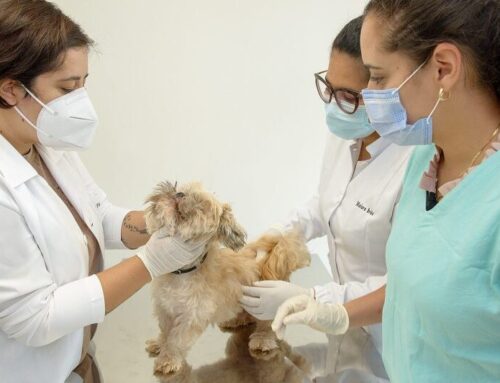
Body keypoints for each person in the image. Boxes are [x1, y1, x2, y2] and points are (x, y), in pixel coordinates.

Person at [273, 1, 500, 382]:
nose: (370, 96)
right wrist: (340, 312)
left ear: (443, 68)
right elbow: (417, 279)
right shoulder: (426, 159)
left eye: (377, 78)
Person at [0, 1, 207, 382]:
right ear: (12, 89)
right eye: (68, 87)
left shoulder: (45, 144)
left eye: (84, 82)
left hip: (78, 362)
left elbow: (96, 213)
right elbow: (34, 318)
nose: (82, 100)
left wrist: (159, 223)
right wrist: (152, 261)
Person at [240, 16, 414, 382]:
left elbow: (404, 284)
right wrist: (272, 238)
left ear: (385, 90)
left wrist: (312, 299)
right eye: (329, 88)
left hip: (391, 335)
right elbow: (324, 204)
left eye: (349, 96)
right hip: (345, 332)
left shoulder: (415, 163)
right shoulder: (345, 134)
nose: (335, 106)